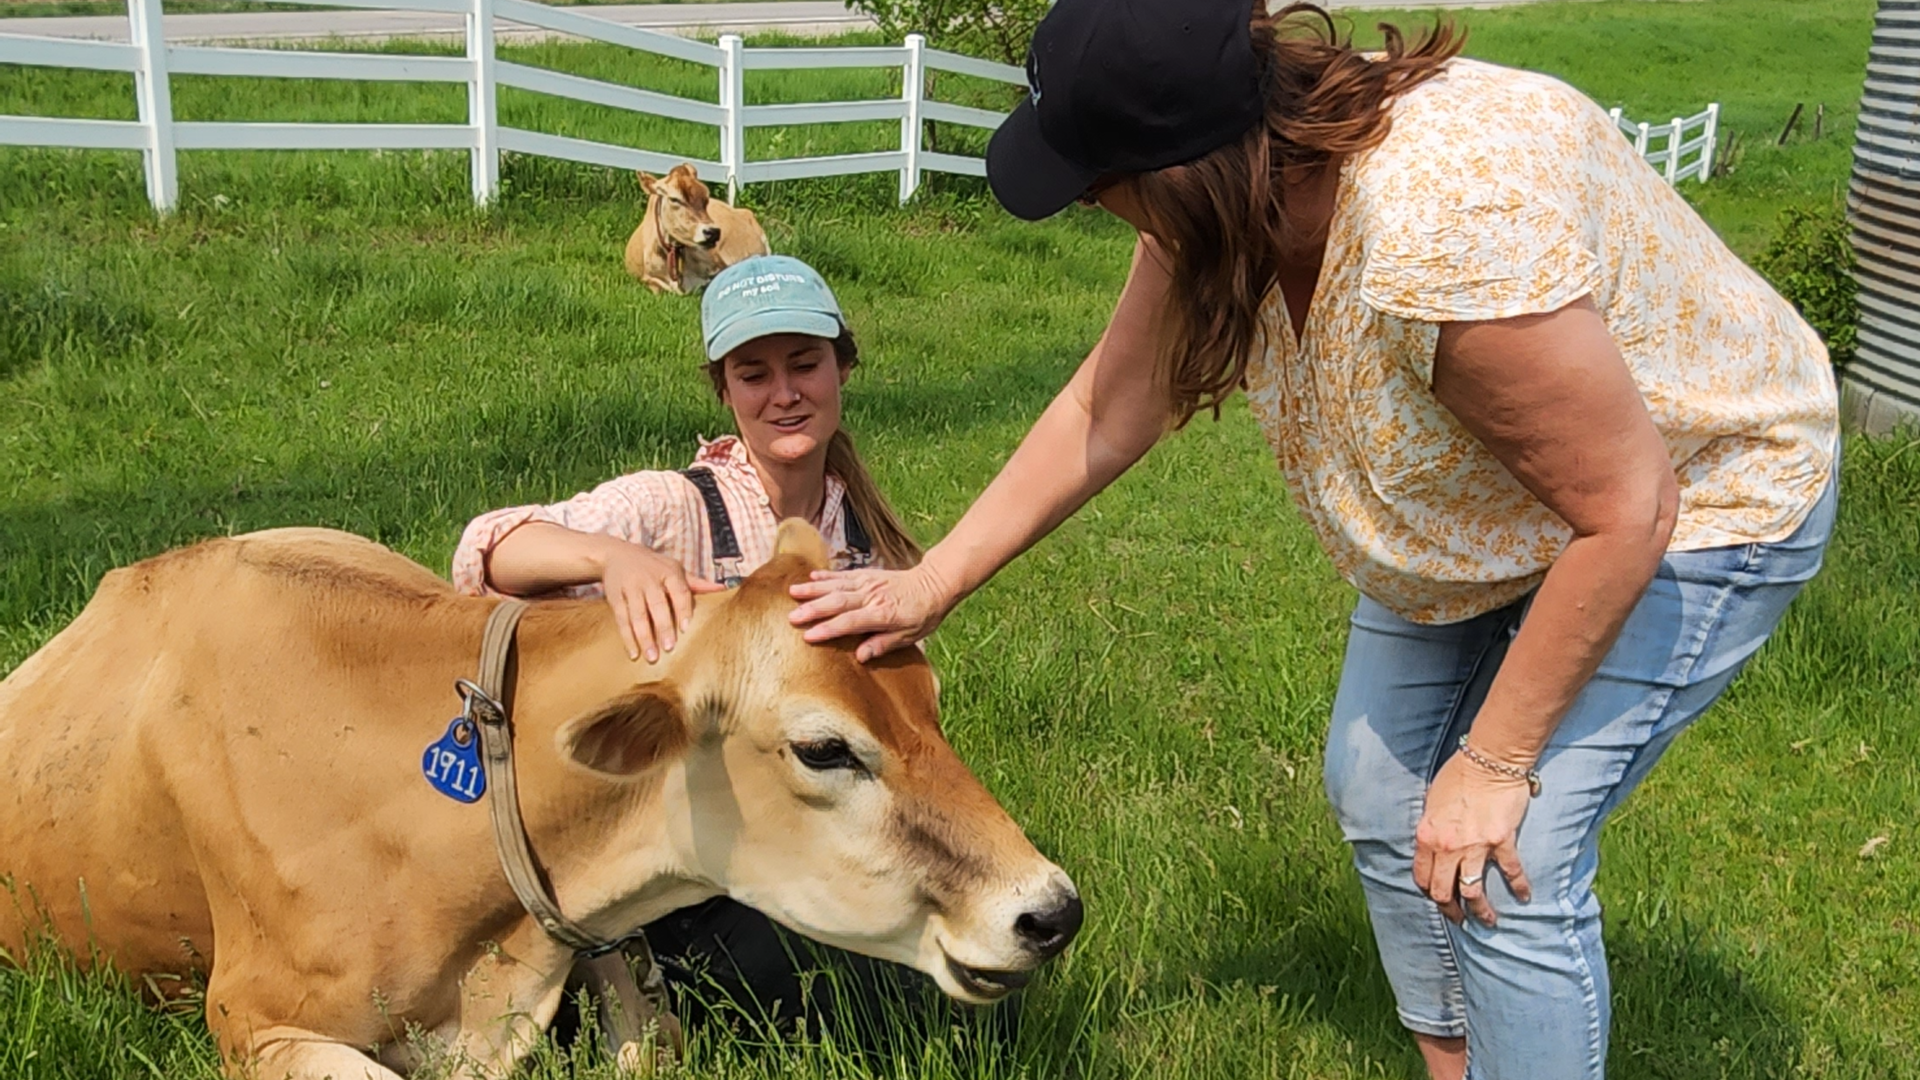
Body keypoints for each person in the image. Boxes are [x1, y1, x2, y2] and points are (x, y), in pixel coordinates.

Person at [785, 3, 1840, 1078]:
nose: (1094, 211)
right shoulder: (1232, 185)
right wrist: (932, 584)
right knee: (1382, 795)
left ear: (1180, 172)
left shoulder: (1439, 229)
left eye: (1094, 184)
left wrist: (1496, 760)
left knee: (1504, 857)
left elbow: (1627, 507)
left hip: (1699, 496)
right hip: (1478, 516)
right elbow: (1111, 405)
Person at [451, 254, 929, 1039]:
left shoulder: (866, 544)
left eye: (805, 364)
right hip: (682, 872)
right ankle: (626, 981)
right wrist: (612, 558)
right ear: (724, 390)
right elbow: (485, 552)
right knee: (855, 997)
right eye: (753, 374)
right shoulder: (674, 506)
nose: (784, 393)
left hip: (809, 831)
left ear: (844, 367)